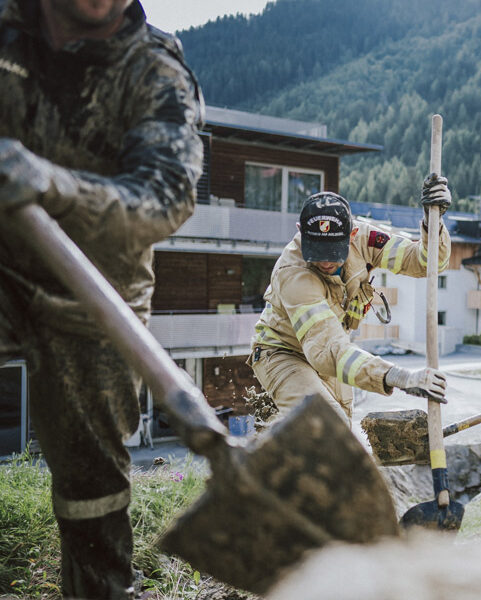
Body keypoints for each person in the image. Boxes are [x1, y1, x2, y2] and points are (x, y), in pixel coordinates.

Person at [0, 0, 204, 596]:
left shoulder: (153, 70)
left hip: (96, 296)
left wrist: (53, 185)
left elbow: (166, 196)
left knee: (92, 488)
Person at [249, 185, 452, 424]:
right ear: (300, 232)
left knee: (342, 428)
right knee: (326, 423)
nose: (325, 262)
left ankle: (282, 440)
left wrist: (433, 222)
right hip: (282, 353)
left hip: (330, 351)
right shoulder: (293, 275)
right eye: (316, 252)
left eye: (334, 252)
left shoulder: (366, 240)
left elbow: (425, 262)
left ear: (352, 234)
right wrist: (399, 377)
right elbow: (326, 350)